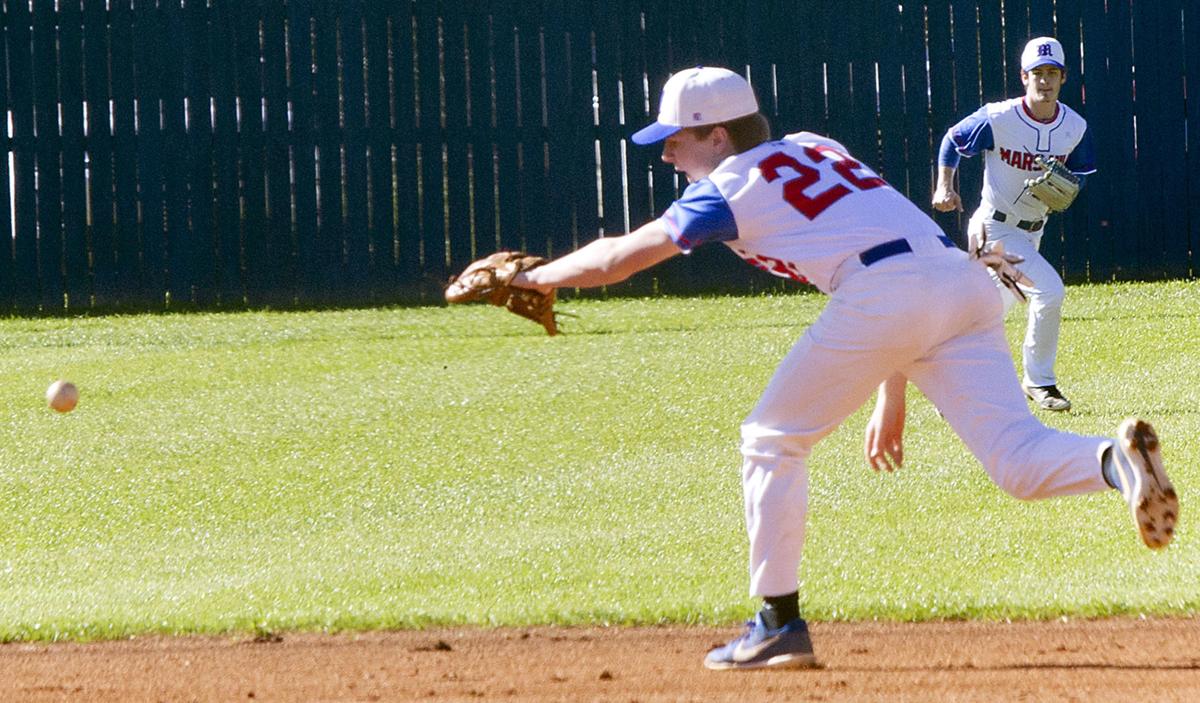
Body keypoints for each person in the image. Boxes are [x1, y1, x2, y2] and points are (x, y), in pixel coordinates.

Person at [506, 66, 1176, 670]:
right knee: (1019, 460)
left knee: (770, 439)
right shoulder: (812, 145)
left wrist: (537, 275)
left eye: (675, 137)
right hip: (957, 282)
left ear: (715, 135)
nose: (667, 151)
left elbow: (621, 256)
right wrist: (894, 395)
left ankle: (777, 622)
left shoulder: (731, 184)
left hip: (894, 294)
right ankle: (1117, 464)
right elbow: (886, 242)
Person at [933, 37, 1095, 411]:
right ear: (1024, 77)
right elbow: (952, 141)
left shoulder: (1074, 126)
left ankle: (953, 388)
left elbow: (1081, 173)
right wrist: (944, 186)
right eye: (1037, 73)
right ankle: (1041, 383)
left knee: (984, 315)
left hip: (1032, 231)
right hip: (994, 228)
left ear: (1063, 78)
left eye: (1052, 73)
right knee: (1049, 291)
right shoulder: (1000, 118)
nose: (1045, 81)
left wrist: (1070, 186)